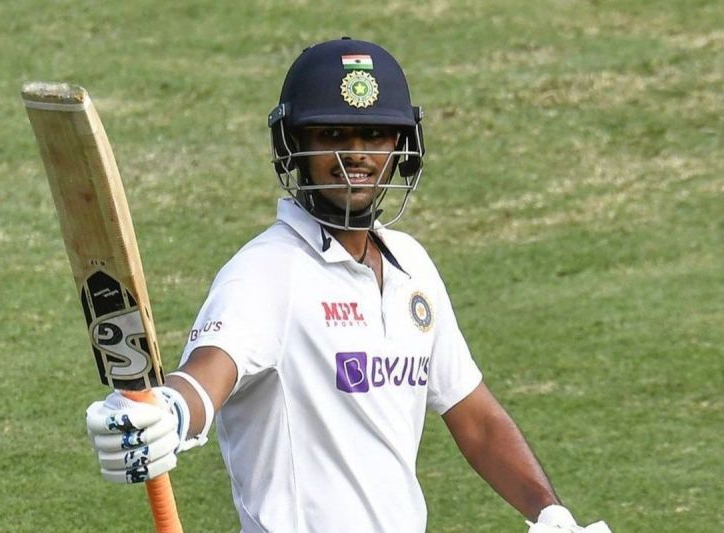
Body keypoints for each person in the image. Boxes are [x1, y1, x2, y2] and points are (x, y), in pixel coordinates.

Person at [86, 37, 611, 532]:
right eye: (333, 135)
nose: (355, 156)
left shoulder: (413, 266)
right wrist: (172, 412)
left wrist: (551, 514)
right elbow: (207, 374)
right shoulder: (267, 271)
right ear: (294, 145)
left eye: (375, 136)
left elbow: (475, 418)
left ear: (401, 146)